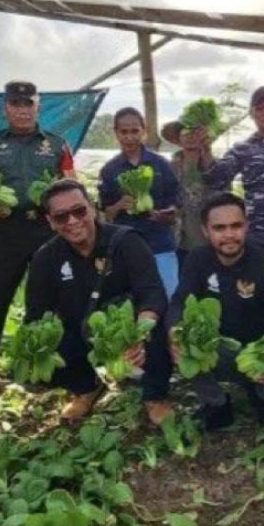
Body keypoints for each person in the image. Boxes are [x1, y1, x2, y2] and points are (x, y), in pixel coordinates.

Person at [24, 179, 174, 425]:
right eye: (61, 217)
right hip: (81, 332)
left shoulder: (127, 241)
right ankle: (86, 387)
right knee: (43, 350)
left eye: (79, 211)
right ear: (50, 222)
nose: (72, 221)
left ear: (92, 208)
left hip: (130, 329)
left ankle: (155, 395)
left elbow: (152, 293)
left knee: (158, 324)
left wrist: (139, 332)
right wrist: (38, 347)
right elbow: (36, 314)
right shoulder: (45, 258)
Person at [0, 80, 77, 402]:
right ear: (5, 109)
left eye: (28, 104)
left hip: (46, 229)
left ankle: (47, 369)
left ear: (37, 107)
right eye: (15, 104)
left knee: (48, 301)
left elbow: (71, 183)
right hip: (5, 231)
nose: (22, 110)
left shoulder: (57, 145)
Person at [167, 193, 264, 431]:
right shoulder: (196, 259)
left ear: (247, 226)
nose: (229, 235)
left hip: (261, 350)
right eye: (219, 228)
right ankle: (217, 405)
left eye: (236, 226)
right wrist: (174, 331)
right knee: (181, 342)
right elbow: (180, 301)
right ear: (206, 231)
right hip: (220, 347)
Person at [98, 107, 184, 297]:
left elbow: (176, 201)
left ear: (143, 131)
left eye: (135, 131)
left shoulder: (160, 164)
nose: (129, 137)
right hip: (126, 246)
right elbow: (106, 213)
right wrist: (119, 205)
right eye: (124, 132)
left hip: (160, 243)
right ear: (116, 133)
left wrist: (167, 213)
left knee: (170, 296)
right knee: (133, 300)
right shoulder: (109, 170)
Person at [196, 86, 264, 253]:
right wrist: (206, 149)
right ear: (251, 113)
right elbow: (217, 178)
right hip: (258, 236)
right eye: (260, 109)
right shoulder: (243, 149)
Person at [162, 119, 215, 267]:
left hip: (209, 243)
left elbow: (223, 198)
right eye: (186, 132)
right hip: (178, 243)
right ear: (178, 139)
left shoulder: (216, 167)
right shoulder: (168, 168)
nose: (191, 136)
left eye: (196, 132)